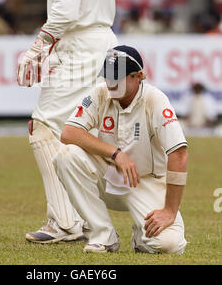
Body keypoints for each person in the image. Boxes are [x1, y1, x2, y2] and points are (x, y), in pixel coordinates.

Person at [17, 0, 117, 243]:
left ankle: (65, 222)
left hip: (80, 48)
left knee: (43, 126)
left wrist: (39, 45)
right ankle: (83, 219)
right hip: (100, 44)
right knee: (78, 132)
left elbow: (67, 8)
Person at [54, 45, 188, 254]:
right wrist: (116, 154)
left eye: (117, 77)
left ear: (139, 76)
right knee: (66, 155)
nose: (110, 83)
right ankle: (103, 236)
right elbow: (68, 133)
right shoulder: (99, 94)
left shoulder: (155, 100)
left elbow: (179, 153)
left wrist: (170, 211)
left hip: (146, 182)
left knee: (169, 245)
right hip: (109, 175)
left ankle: (141, 238)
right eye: (107, 76)